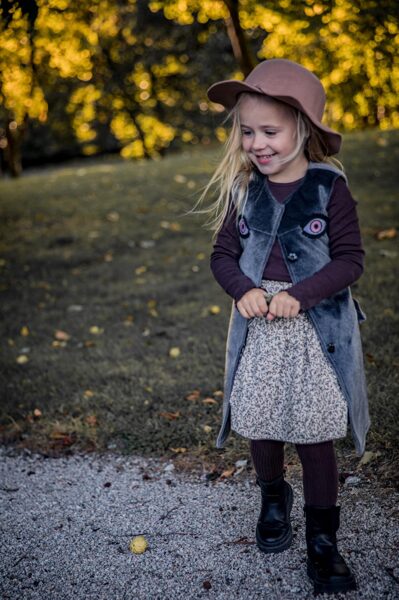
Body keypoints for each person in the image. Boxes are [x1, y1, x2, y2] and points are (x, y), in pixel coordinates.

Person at [202, 59, 370, 595]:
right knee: (262, 421)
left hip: (316, 328)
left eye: (269, 131)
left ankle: (324, 540)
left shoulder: (328, 189)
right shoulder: (243, 189)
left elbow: (350, 261)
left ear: (304, 129)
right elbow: (222, 256)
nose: (257, 143)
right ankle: (274, 496)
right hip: (259, 327)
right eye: (247, 132)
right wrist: (244, 290)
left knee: (316, 430)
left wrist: (300, 294)